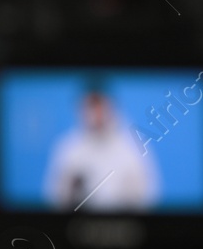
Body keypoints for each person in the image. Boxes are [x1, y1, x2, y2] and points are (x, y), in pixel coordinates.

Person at [42, 83, 161, 211]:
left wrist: (132, 195)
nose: (95, 113)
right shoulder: (67, 147)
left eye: (99, 105)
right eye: (90, 106)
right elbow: (52, 196)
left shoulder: (133, 145)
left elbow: (151, 194)